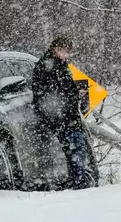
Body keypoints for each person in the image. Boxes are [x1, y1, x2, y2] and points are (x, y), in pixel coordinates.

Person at [32, 35, 89, 189]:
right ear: (57, 49)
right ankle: (78, 181)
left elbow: (63, 90)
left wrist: (78, 91)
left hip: (65, 115)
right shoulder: (48, 66)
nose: (66, 55)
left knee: (74, 149)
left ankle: (77, 180)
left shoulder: (60, 65)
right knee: (75, 148)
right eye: (65, 51)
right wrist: (75, 93)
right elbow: (52, 93)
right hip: (59, 117)